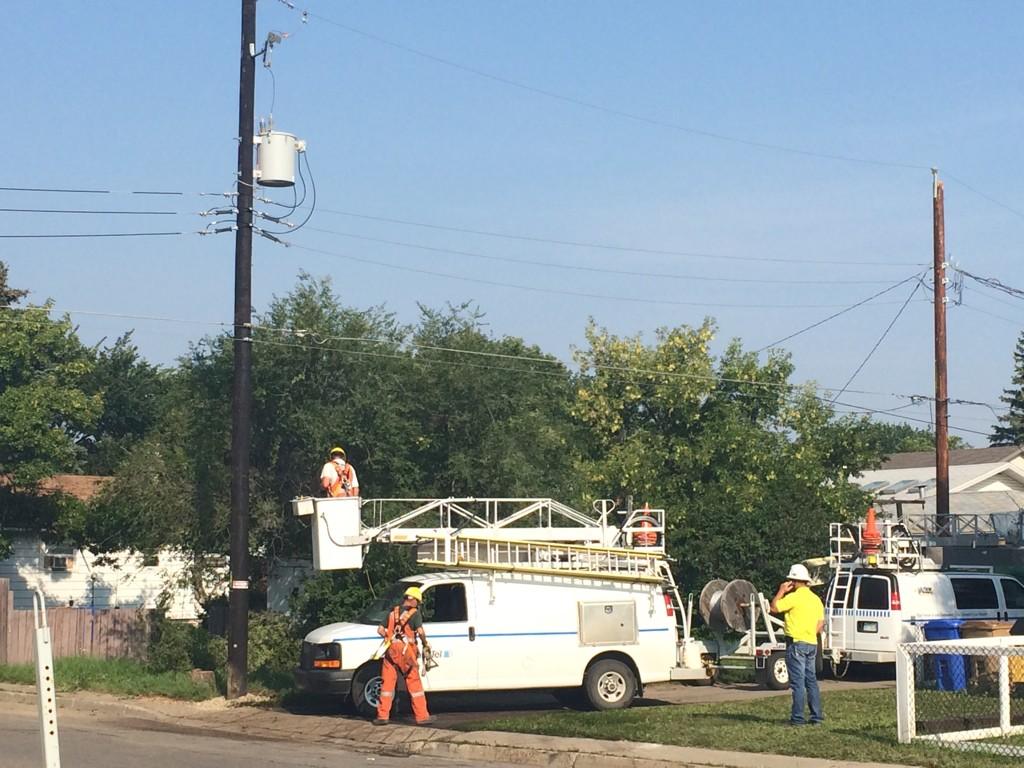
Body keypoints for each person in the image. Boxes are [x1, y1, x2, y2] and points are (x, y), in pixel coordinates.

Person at [770, 563, 825, 725]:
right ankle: (816, 717)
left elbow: (774, 608)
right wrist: (809, 633)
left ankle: (798, 718)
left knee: (798, 683)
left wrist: (781, 591)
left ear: (793, 581)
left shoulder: (793, 597)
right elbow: (820, 623)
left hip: (796, 643)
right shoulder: (815, 599)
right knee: (811, 681)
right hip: (811, 642)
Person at [373, 586, 435, 726]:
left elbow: (380, 630)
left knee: (387, 684)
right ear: (411, 599)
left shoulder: (392, 612)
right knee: (414, 683)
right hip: (406, 652)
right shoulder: (415, 613)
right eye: (417, 601)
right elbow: (420, 631)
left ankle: (382, 716)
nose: (418, 604)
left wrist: (390, 638)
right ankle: (422, 716)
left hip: (390, 650)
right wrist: (425, 644)